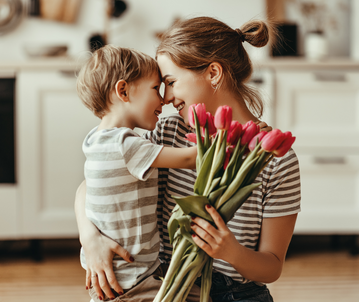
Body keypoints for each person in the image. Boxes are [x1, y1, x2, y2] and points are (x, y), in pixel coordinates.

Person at [75, 17, 301, 302]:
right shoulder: (168, 132)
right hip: (165, 285)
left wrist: (230, 250)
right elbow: (94, 182)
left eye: (170, 82)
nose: (166, 98)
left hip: (235, 294)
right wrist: (90, 238)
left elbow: (271, 267)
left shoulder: (275, 159)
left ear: (213, 73)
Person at [76, 45, 198, 302]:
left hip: (120, 275)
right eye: (156, 88)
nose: (164, 99)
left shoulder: (95, 139)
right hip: (132, 280)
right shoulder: (126, 145)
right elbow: (189, 158)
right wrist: (239, 136)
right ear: (123, 91)